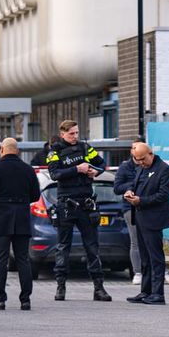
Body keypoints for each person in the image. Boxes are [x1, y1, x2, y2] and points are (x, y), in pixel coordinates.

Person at [46, 119, 110, 302]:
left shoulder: (85, 147)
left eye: (76, 132)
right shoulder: (55, 150)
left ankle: (99, 288)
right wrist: (77, 169)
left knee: (92, 247)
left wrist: (94, 172)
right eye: (71, 133)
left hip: (86, 203)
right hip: (66, 204)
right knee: (63, 247)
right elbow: (55, 174)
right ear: (63, 134)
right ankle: (60, 287)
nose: (75, 136)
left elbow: (101, 164)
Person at [0, 137, 41, 310]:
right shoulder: (28, 170)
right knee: (23, 259)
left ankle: (0, 299)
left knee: (1, 260)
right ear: (17, 151)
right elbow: (36, 195)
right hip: (21, 217)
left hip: (1, 218)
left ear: (2, 150)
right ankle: (25, 299)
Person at [124, 142, 169, 305]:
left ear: (150, 154)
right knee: (144, 258)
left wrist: (141, 200)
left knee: (156, 257)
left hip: (154, 219)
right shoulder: (141, 168)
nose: (140, 163)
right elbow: (134, 185)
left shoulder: (164, 170)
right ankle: (145, 291)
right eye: (136, 160)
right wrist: (129, 192)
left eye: (142, 159)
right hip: (140, 218)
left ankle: (158, 293)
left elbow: (163, 195)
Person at [112, 138, 143, 285]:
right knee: (135, 241)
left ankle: (161, 272)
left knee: (153, 240)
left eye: (138, 147)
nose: (135, 150)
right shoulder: (125, 167)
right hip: (130, 208)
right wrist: (132, 186)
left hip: (146, 206)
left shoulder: (148, 165)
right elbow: (117, 188)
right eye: (133, 148)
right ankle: (138, 272)